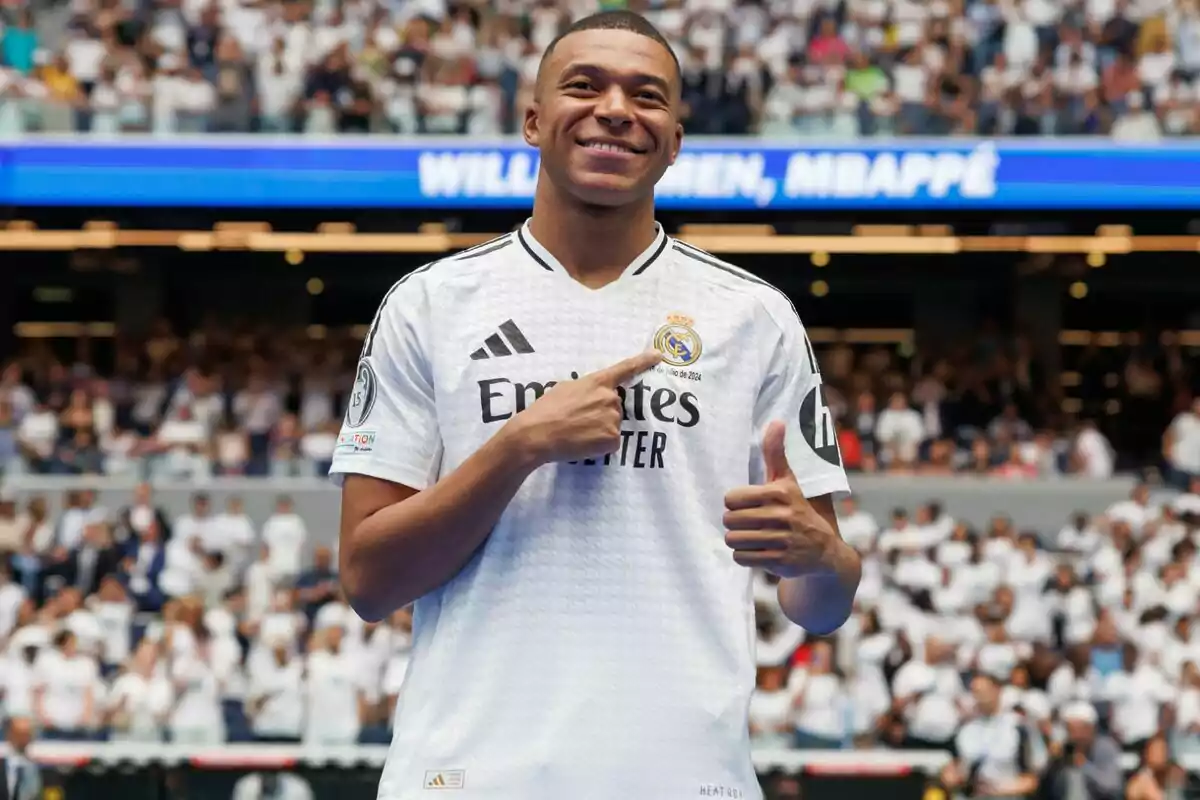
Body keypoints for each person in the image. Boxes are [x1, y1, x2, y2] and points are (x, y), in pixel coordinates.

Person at [332, 10, 860, 799]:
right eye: (585, 86)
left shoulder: (754, 316)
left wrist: (822, 558)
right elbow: (369, 581)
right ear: (534, 122)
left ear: (675, 142)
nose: (616, 108)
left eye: (648, 96)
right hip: (470, 778)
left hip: (686, 782)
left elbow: (820, 606)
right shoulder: (431, 305)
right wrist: (516, 449)